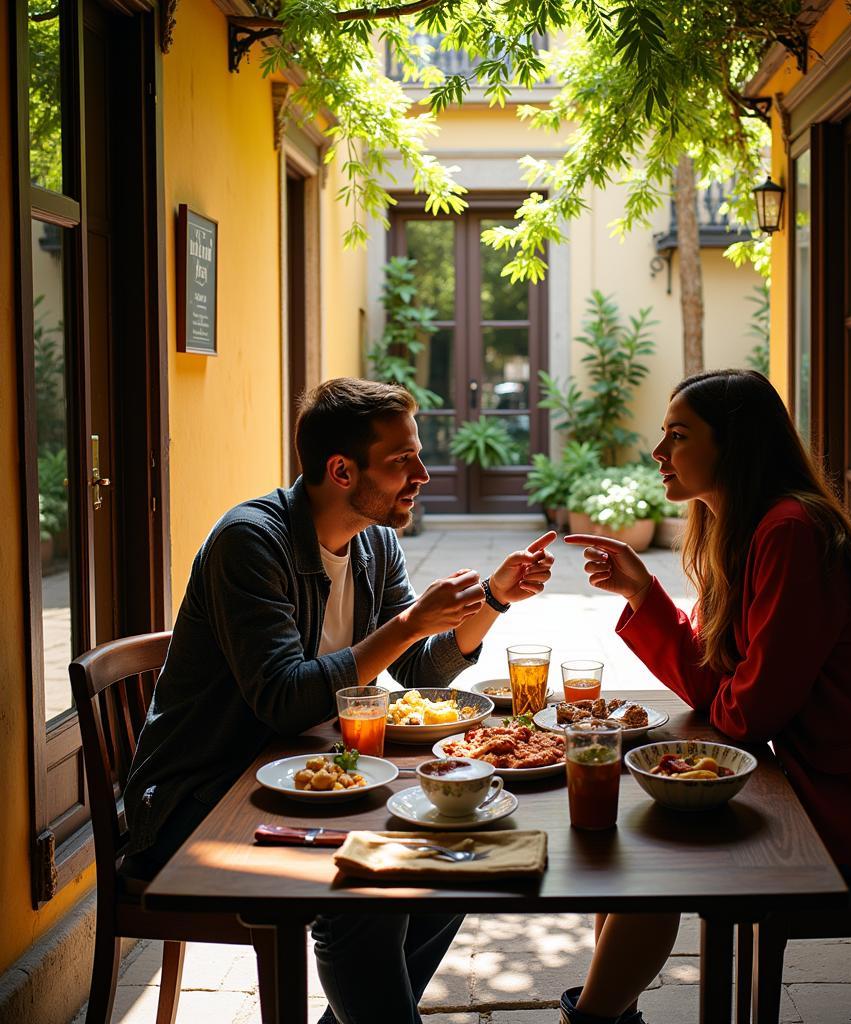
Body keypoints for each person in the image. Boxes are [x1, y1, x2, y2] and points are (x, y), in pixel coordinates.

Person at [122, 377, 555, 1024]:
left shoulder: (374, 541)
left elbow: (414, 668)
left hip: (312, 777)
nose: (423, 473)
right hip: (203, 799)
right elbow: (285, 702)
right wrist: (409, 623)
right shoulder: (252, 541)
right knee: (366, 902)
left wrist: (490, 601)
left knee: (453, 866)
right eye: (401, 460)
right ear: (342, 469)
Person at [560, 369, 851, 1024]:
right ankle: (606, 1015)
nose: (659, 454)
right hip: (820, 783)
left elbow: (747, 712)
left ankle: (596, 1018)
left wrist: (722, 701)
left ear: (733, 445)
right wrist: (641, 594)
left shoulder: (790, 531)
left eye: (677, 436)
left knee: (657, 841)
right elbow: (726, 691)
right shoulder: (747, 530)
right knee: (646, 822)